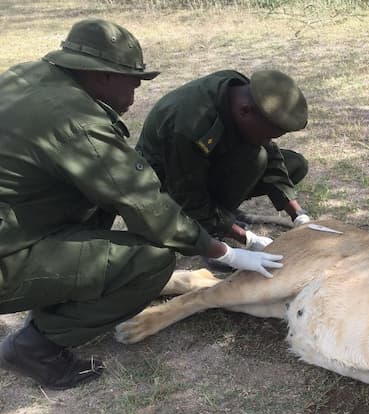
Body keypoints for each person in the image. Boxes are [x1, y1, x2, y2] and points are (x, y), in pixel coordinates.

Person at [0, 18, 284, 390]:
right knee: (151, 262)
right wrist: (226, 252)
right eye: (133, 79)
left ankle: (57, 300)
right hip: (9, 254)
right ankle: (34, 347)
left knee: (96, 204)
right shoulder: (77, 122)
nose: (136, 89)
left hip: (20, 220)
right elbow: (146, 205)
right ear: (102, 76)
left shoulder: (27, 77)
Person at [135, 68, 312, 254]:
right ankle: (212, 232)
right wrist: (246, 238)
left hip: (204, 161)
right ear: (245, 111)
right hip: (165, 182)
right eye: (267, 135)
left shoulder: (243, 92)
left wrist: (298, 215)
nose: (268, 142)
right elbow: (189, 196)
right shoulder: (189, 127)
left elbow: (271, 153)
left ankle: (221, 215)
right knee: (256, 159)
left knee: (294, 164)